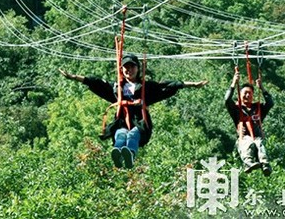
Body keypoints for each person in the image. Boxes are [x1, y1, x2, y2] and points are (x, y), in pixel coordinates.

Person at [60, 53, 208, 169]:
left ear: (137, 68)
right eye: (126, 67)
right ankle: (117, 154)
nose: (128, 70)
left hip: (140, 122)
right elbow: (96, 82)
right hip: (122, 120)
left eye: (132, 67)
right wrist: (74, 77)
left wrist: (192, 85)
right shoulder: (116, 88)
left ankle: (130, 154)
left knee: (132, 135)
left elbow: (167, 85)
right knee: (120, 134)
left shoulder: (146, 87)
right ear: (122, 70)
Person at [225, 71, 274, 175]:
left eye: (250, 93)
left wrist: (262, 88)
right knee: (247, 143)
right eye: (245, 93)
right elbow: (227, 99)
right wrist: (234, 83)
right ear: (240, 95)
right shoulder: (236, 109)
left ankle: (265, 164)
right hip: (244, 138)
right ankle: (248, 162)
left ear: (253, 95)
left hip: (257, 137)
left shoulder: (258, 108)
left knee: (259, 144)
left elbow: (270, 103)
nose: (247, 95)